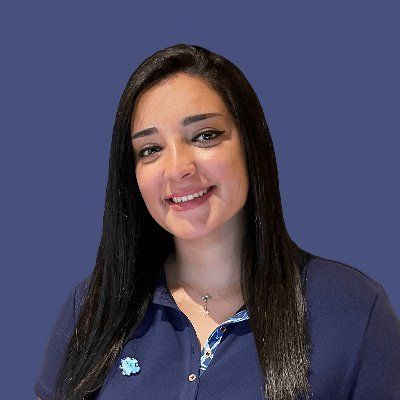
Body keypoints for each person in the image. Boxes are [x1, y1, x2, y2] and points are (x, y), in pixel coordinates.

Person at [34, 44, 400, 400]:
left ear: (250, 145)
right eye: (151, 149)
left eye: (205, 135)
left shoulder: (350, 308)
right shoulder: (92, 308)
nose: (178, 168)